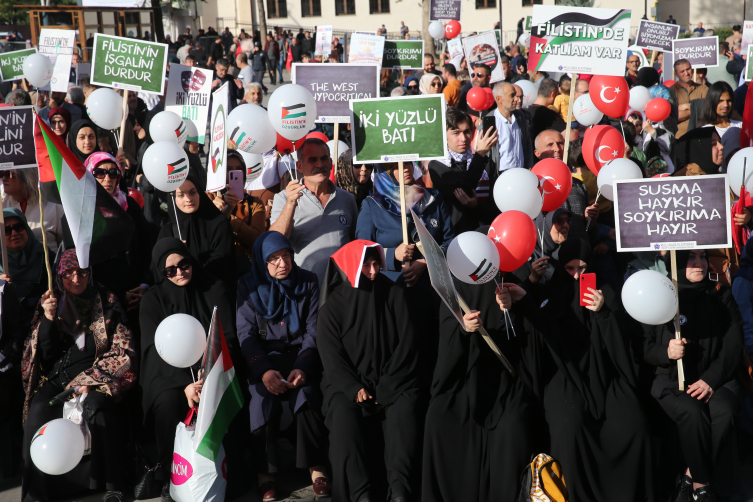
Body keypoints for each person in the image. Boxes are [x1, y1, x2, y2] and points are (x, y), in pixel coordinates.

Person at [517, 238, 654, 502]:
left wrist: (602, 313)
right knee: (569, 429)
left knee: (634, 425)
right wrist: (532, 282)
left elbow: (622, 346)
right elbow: (536, 328)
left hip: (607, 375)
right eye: (569, 269)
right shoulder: (551, 296)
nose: (577, 275)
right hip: (565, 376)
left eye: (582, 268)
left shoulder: (607, 292)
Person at [422, 257, 542, 501]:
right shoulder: (455, 291)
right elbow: (447, 349)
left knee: (514, 428)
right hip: (464, 378)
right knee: (439, 417)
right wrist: (462, 330)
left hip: (508, 383)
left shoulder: (510, 284)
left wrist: (512, 310)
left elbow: (528, 343)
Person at [22, 249, 136, 502]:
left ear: (90, 273)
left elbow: (123, 349)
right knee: (38, 412)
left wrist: (93, 380)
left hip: (94, 378)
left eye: (82, 272)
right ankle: (37, 492)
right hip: (57, 379)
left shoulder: (107, 301)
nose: (76, 279)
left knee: (99, 409)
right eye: (69, 273)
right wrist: (49, 320)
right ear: (59, 275)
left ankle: (113, 485)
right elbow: (45, 355)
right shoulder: (51, 301)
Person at [317, 240, 422, 502]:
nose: (374, 272)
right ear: (352, 266)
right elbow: (331, 357)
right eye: (366, 266)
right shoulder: (333, 306)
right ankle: (359, 494)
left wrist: (387, 386)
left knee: (404, 415)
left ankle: (399, 491)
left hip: (394, 381)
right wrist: (354, 388)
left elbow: (408, 345)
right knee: (343, 420)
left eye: (376, 265)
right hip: (347, 386)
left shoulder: (394, 294)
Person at [139, 238, 238, 501]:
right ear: (161, 271)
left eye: (184, 264)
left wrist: (208, 374)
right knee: (168, 403)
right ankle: (170, 477)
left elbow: (227, 335)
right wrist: (184, 384)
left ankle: (226, 472)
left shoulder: (214, 288)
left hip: (214, 367)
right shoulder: (152, 300)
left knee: (222, 395)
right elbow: (154, 349)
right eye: (171, 270)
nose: (180, 272)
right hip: (170, 376)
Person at [236, 232, 330, 501]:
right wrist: (263, 371)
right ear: (261, 262)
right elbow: (246, 335)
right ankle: (265, 475)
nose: (282, 264)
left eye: (286, 256)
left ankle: (317, 468)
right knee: (260, 401)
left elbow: (313, 328)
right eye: (273, 259)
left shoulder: (308, 281)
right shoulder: (248, 286)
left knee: (307, 395)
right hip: (265, 359)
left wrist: (303, 364)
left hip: (301, 355)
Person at [644, 249, 742, 502]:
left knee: (724, 411)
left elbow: (733, 343)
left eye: (702, 257)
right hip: (672, 380)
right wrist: (667, 352)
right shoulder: (659, 297)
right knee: (693, 413)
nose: (699, 263)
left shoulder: (720, 294)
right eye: (690, 258)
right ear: (675, 264)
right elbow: (645, 348)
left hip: (715, 378)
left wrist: (711, 380)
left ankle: (691, 475)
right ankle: (702, 486)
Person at [270, 138, 358, 287]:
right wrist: (290, 204)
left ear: (331, 162)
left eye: (324, 159)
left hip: (341, 289)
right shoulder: (284, 198)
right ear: (299, 166)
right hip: (303, 289)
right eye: (312, 160)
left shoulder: (347, 199)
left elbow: (354, 240)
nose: (320, 164)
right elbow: (275, 241)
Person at [356, 163, 454, 285]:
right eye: (396, 167)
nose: (406, 169)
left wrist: (427, 262)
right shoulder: (372, 205)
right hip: (391, 287)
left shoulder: (433, 197)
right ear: (385, 172)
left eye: (408, 163)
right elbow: (362, 251)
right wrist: (392, 254)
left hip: (432, 286)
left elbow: (449, 242)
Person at [83, 152, 151, 308]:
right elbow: (86, 262)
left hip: (138, 290)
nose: (107, 179)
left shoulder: (130, 206)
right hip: (104, 299)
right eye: (100, 173)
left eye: (113, 173)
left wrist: (145, 284)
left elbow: (146, 245)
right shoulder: (82, 212)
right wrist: (119, 294)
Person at [428, 108, 499, 233]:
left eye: (467, 132)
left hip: (485, 231)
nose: (463, 138)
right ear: (444, 136)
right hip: (455, 235)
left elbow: (496, 204)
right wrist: (480, 155)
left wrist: (477, 206)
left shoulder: (485, 162)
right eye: (456, 133)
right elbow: (461, 190)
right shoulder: (437, 165)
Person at [159, 175, 236, 288]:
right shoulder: (168, 232)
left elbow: (222, 265)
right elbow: (157, 270)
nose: (188, 199)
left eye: (193, 192)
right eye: (181, 195)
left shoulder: (219, 225)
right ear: (173, 198)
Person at [206, 151, 266, 275]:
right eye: (228, 169)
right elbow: (203, 236)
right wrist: (214, 213)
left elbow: (257, 239)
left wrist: (228, 214)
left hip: (244, 271)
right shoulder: (208, 199)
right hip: (214, 269)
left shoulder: (254, 203)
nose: (234, 174)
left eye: (239, 169)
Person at [0, 208, 49, 326]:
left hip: (40, 326)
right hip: (8, 331)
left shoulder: (46, 258)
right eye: (6, 230)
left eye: (19, 227)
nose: (14, 233)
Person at [1, 168, 64, 253]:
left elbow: (65, 244)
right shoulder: (2, 207)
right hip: (11, 265)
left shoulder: (53, 206)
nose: (3, 179)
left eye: (9, 174)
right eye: (2, 174)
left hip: (48, 264)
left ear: (27, 177)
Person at [513, 207, 572, 286]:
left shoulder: (569, 253)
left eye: (568, 220)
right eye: (559, 221)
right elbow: (516, 294)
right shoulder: (523, 258)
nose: (565, 225)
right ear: (544, 224)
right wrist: (532, 279)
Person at [492, 82, 534, 170]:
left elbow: (527, 141)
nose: (516, 99)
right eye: (512, 96)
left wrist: (529, 163)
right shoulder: (491, 121)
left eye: (517, 95)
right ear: (499, 99)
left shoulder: (520, 116)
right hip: (501, 175)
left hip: (520, 171)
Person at [672, 59, 709, 138]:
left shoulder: (703, 89)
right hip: (680, 138)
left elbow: (708, 110)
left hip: (701, 136)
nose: (686, 73)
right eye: (682, 71)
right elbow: (672, 117)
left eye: (688, 69)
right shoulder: (670, 92)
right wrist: (698, 107)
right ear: (676, 74)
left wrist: (684, 107)